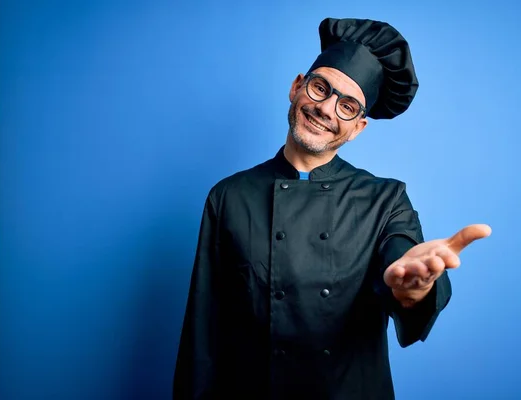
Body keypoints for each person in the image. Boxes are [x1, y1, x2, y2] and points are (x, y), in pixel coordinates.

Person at [173, 17, 491, 400]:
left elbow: (404, 265)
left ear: (358, 127)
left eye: (347, 106)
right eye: (320, 87)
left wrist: (414, 287)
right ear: (296, 88)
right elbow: (203, 333)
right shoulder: (229, 196)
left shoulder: (386, 200)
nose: (326, 108)